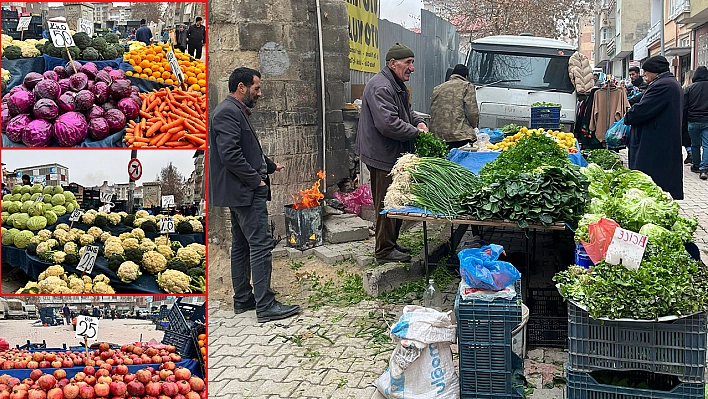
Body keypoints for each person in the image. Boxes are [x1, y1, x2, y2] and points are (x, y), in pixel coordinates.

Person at [209, 67, 300, 323]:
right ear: (241, 87)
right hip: (245, 192)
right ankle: (266, 305)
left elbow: (248, 149)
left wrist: (270, 166)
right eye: (256, 88)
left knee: (241, 245)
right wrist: (256, 181)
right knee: (260, 245)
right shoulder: (227, 111)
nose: (259, 93)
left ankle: (243, 299)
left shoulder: (234, 110)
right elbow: (230, 155)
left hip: (239, 192)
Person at [355, 43, 428, 264]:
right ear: (392, 64)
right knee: (387, 202)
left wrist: (420, 122)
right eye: (408, 63)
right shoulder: (381, 87)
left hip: (392, 153)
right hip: (382, 155)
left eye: (412, 62)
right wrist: (416, 133)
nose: (412, 68)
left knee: (396, 199)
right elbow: (388, 124)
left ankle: (391, 242)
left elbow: (406, 113)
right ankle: (383, 251)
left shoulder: (395, 84)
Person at [625, 55, 684, 200]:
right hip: (661, 138)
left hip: (656, 141)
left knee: (652, 181)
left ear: (655, 71)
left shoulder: (663, 85)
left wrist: (629, 114)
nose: (644, 75)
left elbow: (643, 110)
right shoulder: (667, 83)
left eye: (646, 71)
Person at [430, 63, 479, 149]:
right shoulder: (467, 86)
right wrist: (474, 127)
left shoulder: (437, 88)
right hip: (459, 136)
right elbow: (472, 112)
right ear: (466, 76)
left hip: (438, 136)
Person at [684, 66, 708, 180]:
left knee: (694, 144)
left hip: (692, 120)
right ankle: (704, 169)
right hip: (707, 121)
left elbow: (684, 106)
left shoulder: (689, 88)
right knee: (707, 145)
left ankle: (696, 165)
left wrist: (684, 120)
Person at [682, 70, 696, 165]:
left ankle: (690, 152)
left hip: (686, 117)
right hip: (698, 117)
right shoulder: (698, 88)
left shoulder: (684, 89)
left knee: (686, 137)